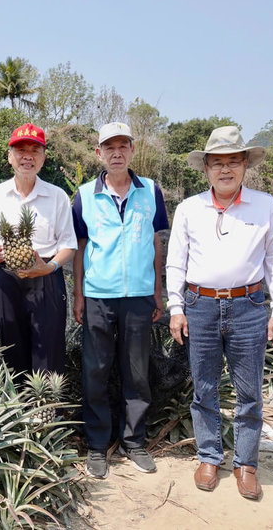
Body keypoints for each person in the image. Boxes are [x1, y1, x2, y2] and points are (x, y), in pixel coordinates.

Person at [166, 125, 273, 501]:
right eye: (217, 163)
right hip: (199, 305)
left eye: (233, 162)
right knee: (204, 387)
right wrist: (176, 307)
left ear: (244, 166)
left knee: (249, 390)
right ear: (205, 168)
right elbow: (176, 261)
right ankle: (208, 455)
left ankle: (246, 463)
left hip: (249, 306)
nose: (225, 170)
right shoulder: (190, 208)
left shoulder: (265, 206)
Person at [71, 122, 169, 479]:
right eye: (108, 147)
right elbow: (80, 248)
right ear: (98, 153)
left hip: (140, 297)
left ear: (132, 150)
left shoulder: (151, 192)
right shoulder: (84, 195)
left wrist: (158, 290)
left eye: (122, 146)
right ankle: (98, 446)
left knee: (137, 372)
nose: (116, 153)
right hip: (98, 296)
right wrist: (78, 295)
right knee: (95, 371)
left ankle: (134, 441)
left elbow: (156, 243)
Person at [0, 123, 77, 376]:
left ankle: (46, 411)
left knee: (48, 352)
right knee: (11, 350)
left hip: (47, 278)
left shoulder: (57, 196)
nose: (27, 156)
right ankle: (18, 410)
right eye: (20, 150)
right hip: (7, 278)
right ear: (10, 156)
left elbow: (69, 245)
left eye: (34, 150)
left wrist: (49, 267)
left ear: (43, 158)